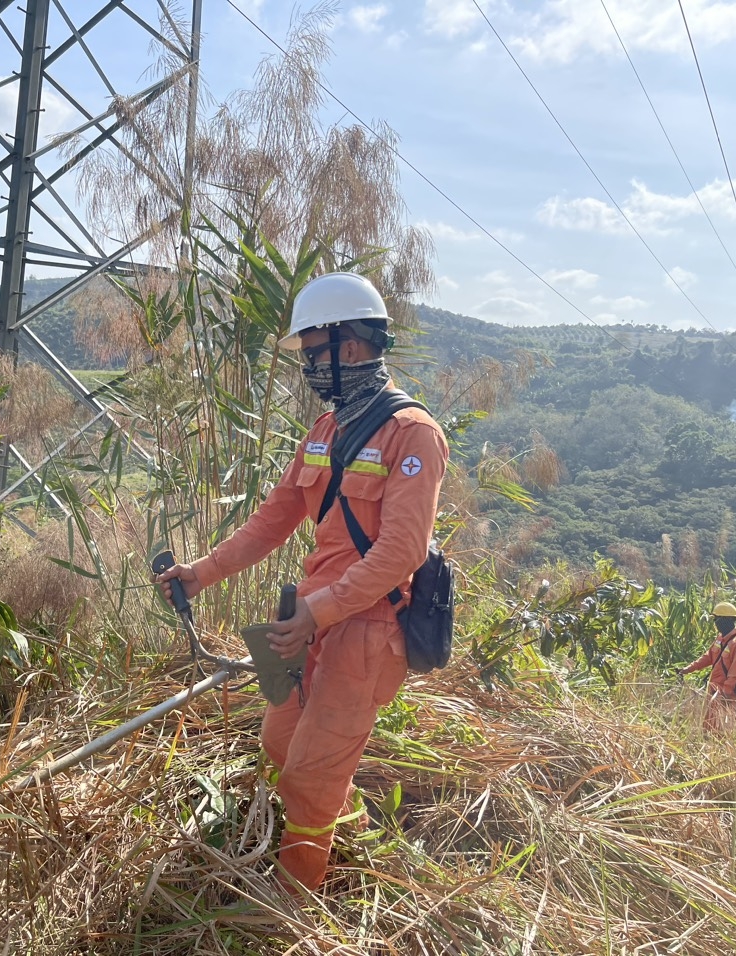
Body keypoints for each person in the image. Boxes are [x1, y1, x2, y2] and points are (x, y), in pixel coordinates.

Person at [155, 272, 449, 893]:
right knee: (282, 741)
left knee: (312, 780)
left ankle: (291, 908)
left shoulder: (412, 435)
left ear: (349, 347)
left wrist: (322, 612)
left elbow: (400, 553)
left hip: (366, 629)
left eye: (314, 352)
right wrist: (200, 574)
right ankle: (356, 839)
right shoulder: (325, 431)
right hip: (307, 618)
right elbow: (273, 520)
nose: (309, 367)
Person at [677, 600, 736, 733]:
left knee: (721, 728)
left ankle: (720, 751)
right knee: (708, 725)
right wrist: (687, 669)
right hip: (713, 690)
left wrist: (725, 693)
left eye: (716, 619)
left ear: (726, 620)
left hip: (725, 694)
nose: (715, 623)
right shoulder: (720, 639)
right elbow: (708, 657)